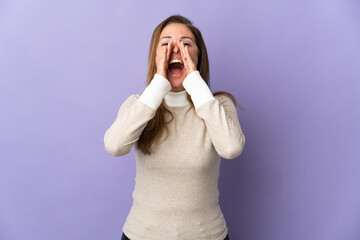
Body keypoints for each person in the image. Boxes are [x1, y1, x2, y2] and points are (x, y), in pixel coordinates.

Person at [104, 14, 245, 240]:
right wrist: (159, 84)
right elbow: (114, 146)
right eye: (166, 44)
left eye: (186, 44)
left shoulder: (218, 105)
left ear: (199, 57)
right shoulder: (137, 105)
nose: (175, 50)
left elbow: (231, 148)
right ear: (155, 55)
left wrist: (194, 83)